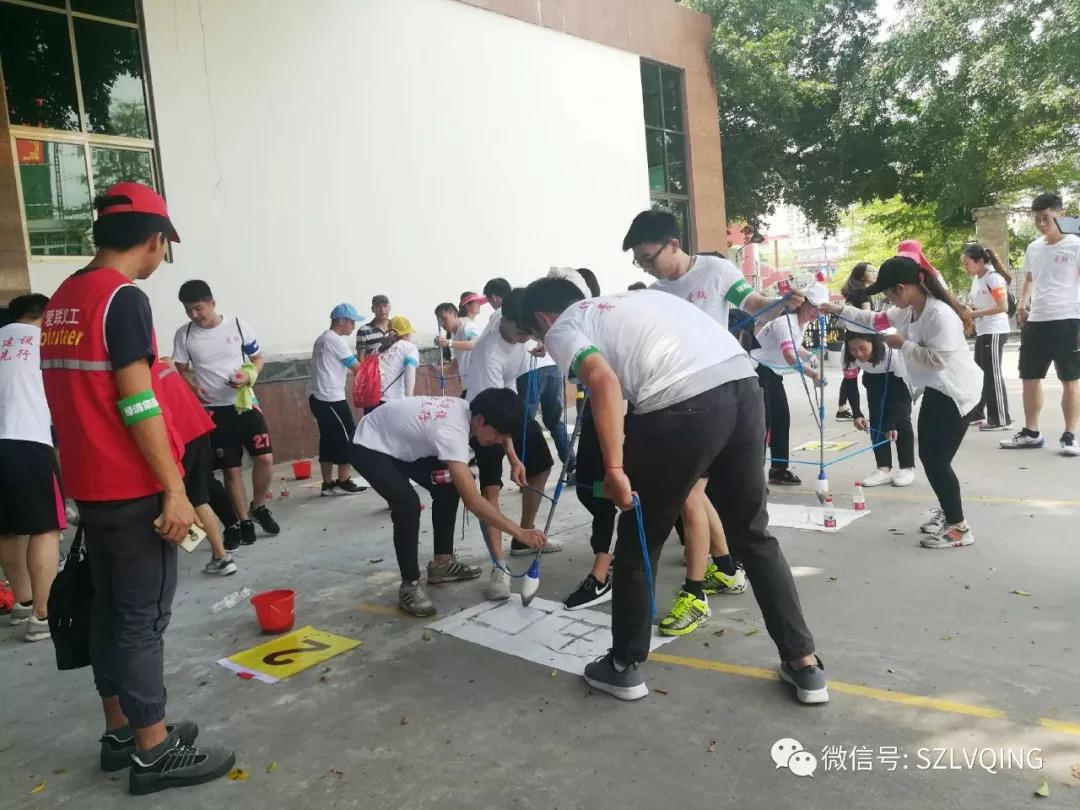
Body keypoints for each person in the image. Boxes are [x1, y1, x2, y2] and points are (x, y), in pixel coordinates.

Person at [519, 278, 826, 704]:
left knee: (639, 539)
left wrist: (614, 468)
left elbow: (602, 381)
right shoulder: (639, 299)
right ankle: (804, 665)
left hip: (680, 406)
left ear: (542, 318)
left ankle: (623, 666)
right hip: (744, 391)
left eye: (537, 334)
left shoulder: (563, 326)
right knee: (753, 535)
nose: (545, 344)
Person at [39, 181, 233, 794]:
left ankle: (121, 731)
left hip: (89, 486)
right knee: (141, 618)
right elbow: (138, 403)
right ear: (153, 240)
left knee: (108, 607)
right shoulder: (122, 299)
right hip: (130, 487)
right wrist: (174, 489)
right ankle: (153, 751)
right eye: (163, 245)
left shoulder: (64, 298)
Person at [624, 214, 776, 634]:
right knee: (695, 493)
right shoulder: (655, 294)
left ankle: (695, 594)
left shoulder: (716, 270)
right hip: (679, 400)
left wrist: (784, 303)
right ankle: (725, 568)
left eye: (649, 257)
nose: (646, 267)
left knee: (691, 496)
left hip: (721, 396)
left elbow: (753, 303)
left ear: (673, 244)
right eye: (639, 262)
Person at [824, 256, 982, 548]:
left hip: (956, 392)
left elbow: (938, 360)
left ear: (902, 288)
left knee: (935, 461)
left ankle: (959, 527)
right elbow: (873, 320)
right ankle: (949, 512)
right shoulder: (908, 310)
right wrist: (836, 309)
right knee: (934, 459)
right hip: (936, 390)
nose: (888, 300)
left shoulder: (939, 314)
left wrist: (903, 345)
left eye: (888, 293)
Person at [349, 390, 546, 616]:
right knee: (408, 505)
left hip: (397, 444)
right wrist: (520, 533)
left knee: (448, 485)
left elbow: (497, 435)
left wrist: (513, 458)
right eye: (499, 435)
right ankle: (410, 584)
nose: (499, 441)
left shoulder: (468, 412)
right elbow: (472, 500)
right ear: (479, 421)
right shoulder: (452, 432)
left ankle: (442, 563)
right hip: (368, 445)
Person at [465, 289, 560, 601]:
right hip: (485, 417)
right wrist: (514, 457)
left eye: (529, 332)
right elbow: (494, 425)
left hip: (510, 404)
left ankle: (523, 535)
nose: (524, 338)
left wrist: (542, 341)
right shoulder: (487, 354)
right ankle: (498, 566)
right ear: (504, 321)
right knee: (491, 490)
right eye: (521, 332)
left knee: (542, 464)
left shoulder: (517, 326)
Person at [173, 280, 279, 543]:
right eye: (188, 310)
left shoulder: (238, 326)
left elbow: (257, 358)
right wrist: (193, 387)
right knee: (231, 469)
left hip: (244, 404)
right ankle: (243, 520)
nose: (194, 315)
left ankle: (258, 506)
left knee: (265, 460)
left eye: (199, 308)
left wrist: (249, 375)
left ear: (212, 303)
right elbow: (181, 368)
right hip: (213, 411)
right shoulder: (185, 335)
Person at [0, 293, 63, 642]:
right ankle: (43, 615)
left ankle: (23, 602)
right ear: (45, 315)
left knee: (8, 529)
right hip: (28, 440)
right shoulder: (45, 341)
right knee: (46, 528)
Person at [1000, 193, 1080, 454]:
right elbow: (1029, 279)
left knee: (1070, 379)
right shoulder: (1034, 247)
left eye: (1047, 218)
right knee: (1029, 377)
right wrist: (1022, 305)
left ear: (1061, 214)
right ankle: (1031, 432)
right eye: (1037, 220)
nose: (1042, 224)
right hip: (1037, 320)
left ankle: (1070, 436)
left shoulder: (1075, 245)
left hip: (1068, 319)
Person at [155, 359, 238, 575]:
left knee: (171, 500)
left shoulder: (141, 377)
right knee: (199, 498)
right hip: (199, 431)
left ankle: (163, 564)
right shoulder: (163, 367)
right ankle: (222, 557)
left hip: (179, 439)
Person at [750, 288, 830, 486]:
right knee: (763, 424)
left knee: (781, 419)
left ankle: (778, 470)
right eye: (813, 307)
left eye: (820, 309)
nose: (817, 312)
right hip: (757, 372)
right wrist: (813, 374)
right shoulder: (784, 323)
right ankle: (754, 478)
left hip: (772, 374)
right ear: (802, 303)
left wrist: (809, 356)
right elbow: (789, 355)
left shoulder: (800, 324)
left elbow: (795, 346)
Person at [844, 332, 915, 487]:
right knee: (877, 421)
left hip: (899, 380)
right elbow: (850, 383)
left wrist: (892, 423)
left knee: (901, 421)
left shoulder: (892, 351)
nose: (858, 354)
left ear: (874, 343)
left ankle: (907, 468)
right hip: (873, 379)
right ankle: (883, 469)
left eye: (863, 348)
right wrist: (857, 413)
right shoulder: (847, 352)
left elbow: (902, 396)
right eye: (853, 350)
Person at [309, 304, 366, 496]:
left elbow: (339, 367)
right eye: (352, 322)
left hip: (319, 398)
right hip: (330, 399)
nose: (354, 326)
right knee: (348, 438)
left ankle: (327, 484)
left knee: (328, 440)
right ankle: (343, 481)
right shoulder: (335, 340)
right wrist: (377, 371)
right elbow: (356, 368)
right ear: (342, 321)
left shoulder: (323, 338)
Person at [961, 243, 1013, 431]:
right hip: (983, 330)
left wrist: (974, 314)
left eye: (967, 263)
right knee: (980, 373)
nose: (965, 267)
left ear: (980, 261)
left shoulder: (994, 278)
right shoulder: (977, 279)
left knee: (992, 375)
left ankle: (1000, 418)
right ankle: (978, 413)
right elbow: (981, 304)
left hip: (995, 329)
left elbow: (1003, 306)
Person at [836, 262, 875, 420]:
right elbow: (867, 316)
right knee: (869, 376)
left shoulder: (853, 293)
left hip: (850, 340)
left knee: (850, 377)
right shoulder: (863, 293)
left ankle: (848, 410)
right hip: (863, 340)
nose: (874, 274)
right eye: (870, 271)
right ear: (861, 275)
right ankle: (863, 412)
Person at [435, 302, 483, 397]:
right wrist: (441, 370)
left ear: (454, 314)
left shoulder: (467, 326)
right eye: (440, 320)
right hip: (467, 384)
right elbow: (456, 364)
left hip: (479, 382)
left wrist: (449, 343)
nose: (442, 323)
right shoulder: (454, 335)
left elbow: (475, 344)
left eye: (444, 318)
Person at [374, 315, 420, 406]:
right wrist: (409, 398)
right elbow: (410, 367)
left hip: (371, 400)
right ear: (408, 334)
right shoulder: (409, 347)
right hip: (391, 401)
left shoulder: (378, 349)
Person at [356, 294, 392, 359]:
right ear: (372, 309)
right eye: (378, 307)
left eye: (385, 306)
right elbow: (361, 359)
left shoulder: (396, 328)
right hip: (372, 365)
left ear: (389, 308)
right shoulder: (364, 331)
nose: (382, 310)